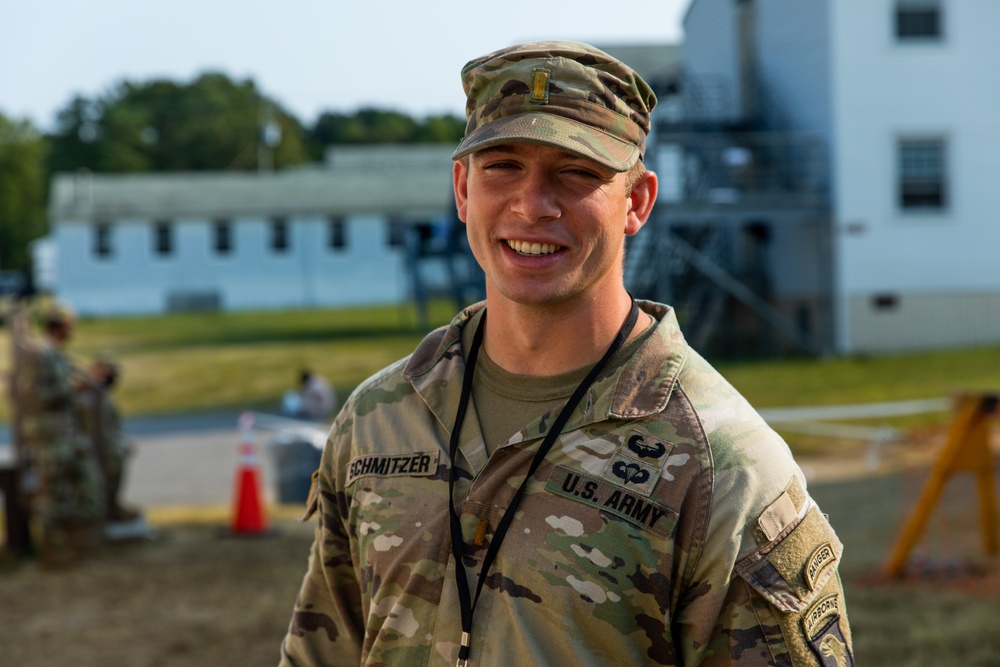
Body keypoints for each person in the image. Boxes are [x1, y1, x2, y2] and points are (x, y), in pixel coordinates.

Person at [279, 41, 853, 666]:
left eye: (577, 172)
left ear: (636, 202)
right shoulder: (377, 419)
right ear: (463, 189)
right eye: (502, 165)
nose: (533, 205)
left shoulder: (724, 467)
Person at [14, 304, 103, 566]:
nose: (72, 329)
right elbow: (35, 394)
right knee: (51, 490)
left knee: (83, 485)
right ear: (61, 325)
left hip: (65, 432)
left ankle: (71, 539)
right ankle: (52, 549)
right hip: (50, 433)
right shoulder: (42, 354)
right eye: (69, 324)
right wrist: (72, 390)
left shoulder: (55, 354)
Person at [74, 355, 137, 523]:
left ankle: (112, 507)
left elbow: (111, 425)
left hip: (108, 445)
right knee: (105, 475)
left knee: (114, 472)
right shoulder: (86, 396)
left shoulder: (101, 396)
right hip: (95, 447)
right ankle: (107, 510)